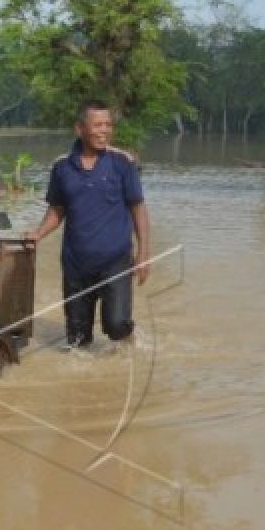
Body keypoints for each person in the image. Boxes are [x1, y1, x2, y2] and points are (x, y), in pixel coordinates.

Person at [27, 100, 152, 348]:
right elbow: (57, 210)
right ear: (80, 129)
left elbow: (138, 209)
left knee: (116, 327)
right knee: (77, 341)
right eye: (97, 125)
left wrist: (143, 253)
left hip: (115, 262)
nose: (104, 131)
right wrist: (38, 234)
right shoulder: (61, 167)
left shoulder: (122, 163)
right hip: (76, 265)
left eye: (108, 125)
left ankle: (130, 347)